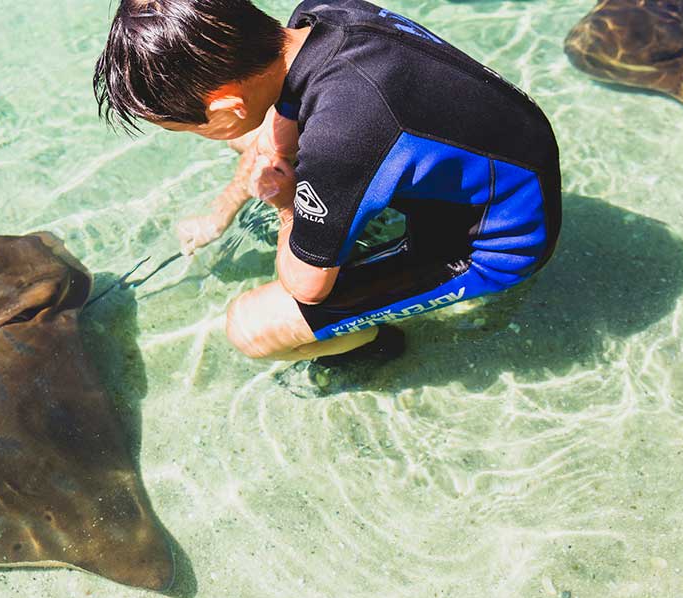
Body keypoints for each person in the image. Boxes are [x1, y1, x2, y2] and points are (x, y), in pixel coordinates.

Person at [93, 0, 561, 365]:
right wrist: (220, 216)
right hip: (509, 154)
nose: (197, 134)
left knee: (252, 328)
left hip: (497, 240)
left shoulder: (343, 139)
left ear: (224, 108)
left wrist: (284, 203)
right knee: (266, 133)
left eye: (190, 128)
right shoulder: (318, 16)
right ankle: (345, 226)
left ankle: (368, 346)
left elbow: (306, 285)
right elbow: (271, 142)